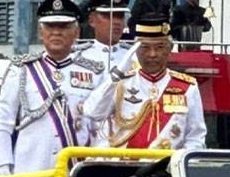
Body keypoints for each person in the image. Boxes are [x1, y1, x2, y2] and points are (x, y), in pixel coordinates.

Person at [0, 0, 100, 176]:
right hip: (30, 173)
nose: (56, 32)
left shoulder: (94, 73)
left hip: (76, 174)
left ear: (77, 32)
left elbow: (99, 128)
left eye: (64, 27)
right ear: (41, 33)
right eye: (50, 27)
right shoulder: (21, 70)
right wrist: (4, 169)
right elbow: (3, 125)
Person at [83, 14, 206, 150]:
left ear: (170, 49)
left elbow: (195, 137)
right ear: (135, 50)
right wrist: (116, 74)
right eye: (145, 47)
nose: (152, 54)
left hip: (166, 167)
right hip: (125, 166)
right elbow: (93, 113)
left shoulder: (187, 87)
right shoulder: (120, 83)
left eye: (160, 47)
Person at [78, 0, 135, 72]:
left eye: (120, 16)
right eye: (108, 16)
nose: (116, 22)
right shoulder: (78, 57)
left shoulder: (134, 56)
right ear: (92, 20)